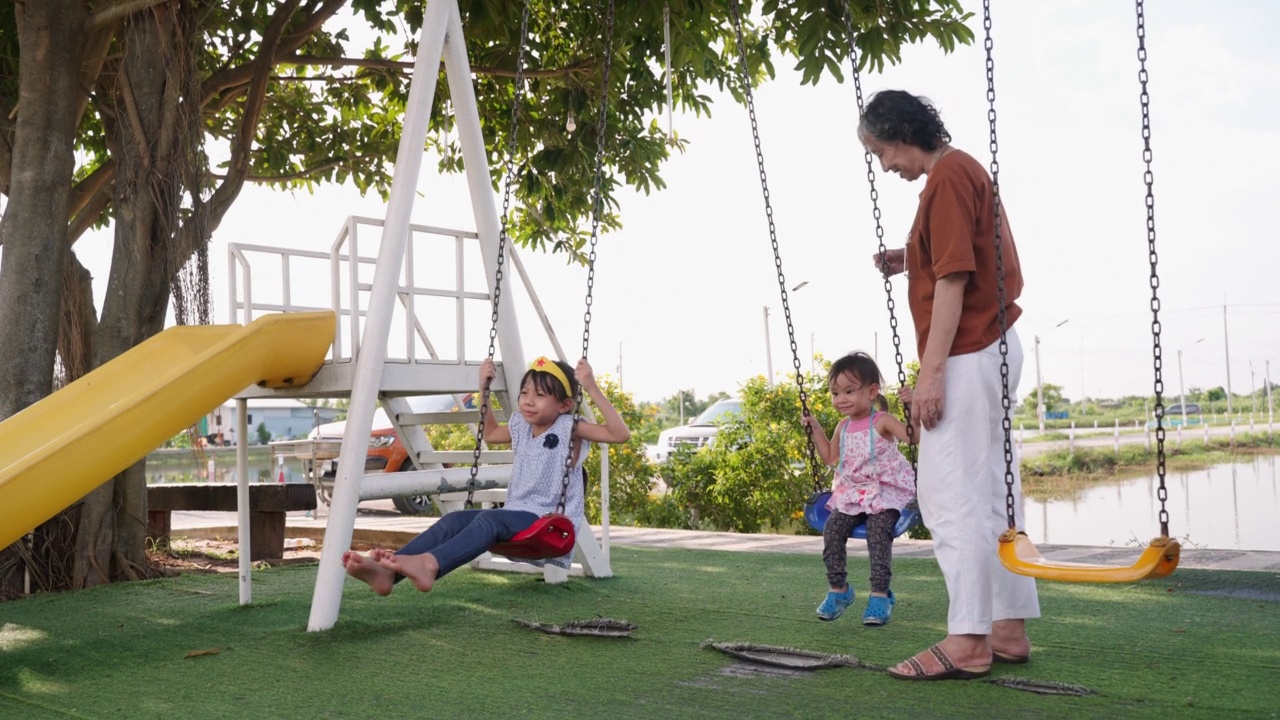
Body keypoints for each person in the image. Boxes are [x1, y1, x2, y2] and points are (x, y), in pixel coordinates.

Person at [858, 89, 1039, 680]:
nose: (886, 165)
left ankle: (967, 640)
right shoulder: (962, 171)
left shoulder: (945, 178)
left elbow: (957, 278)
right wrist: (911, 256)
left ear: (903, 132)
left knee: (950, 496)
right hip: (992, 345)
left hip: (967, 349)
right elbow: (961, 254)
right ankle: (1007, 626)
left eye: (882, 150)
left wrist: (929, 376)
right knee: (990, 494)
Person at [342, 356, 630, 595]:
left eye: (540, 395)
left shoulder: (570, 427)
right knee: (454, 520)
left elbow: (619, 434)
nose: (529, 401)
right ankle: (386, 575)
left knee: (490, 518)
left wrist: (590, 387)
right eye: (525, 393)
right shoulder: (520, 424)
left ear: (564, 405)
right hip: (518, 514)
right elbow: (491, 433)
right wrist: (484, 389)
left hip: (546, 522)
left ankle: (430, 565)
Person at [801, 352, 916, 626]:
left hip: (884, 492)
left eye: (849, 391)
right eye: (835, 393)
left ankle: (880, 594)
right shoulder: (843, 426)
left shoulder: (883, 421)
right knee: (833, 529)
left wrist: (911, 407)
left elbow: (915, 437)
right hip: (853, 493)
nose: (841, 399)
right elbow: (830, 457)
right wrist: (815, 427)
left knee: (878, 532)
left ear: (872, 391)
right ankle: (839, 590)